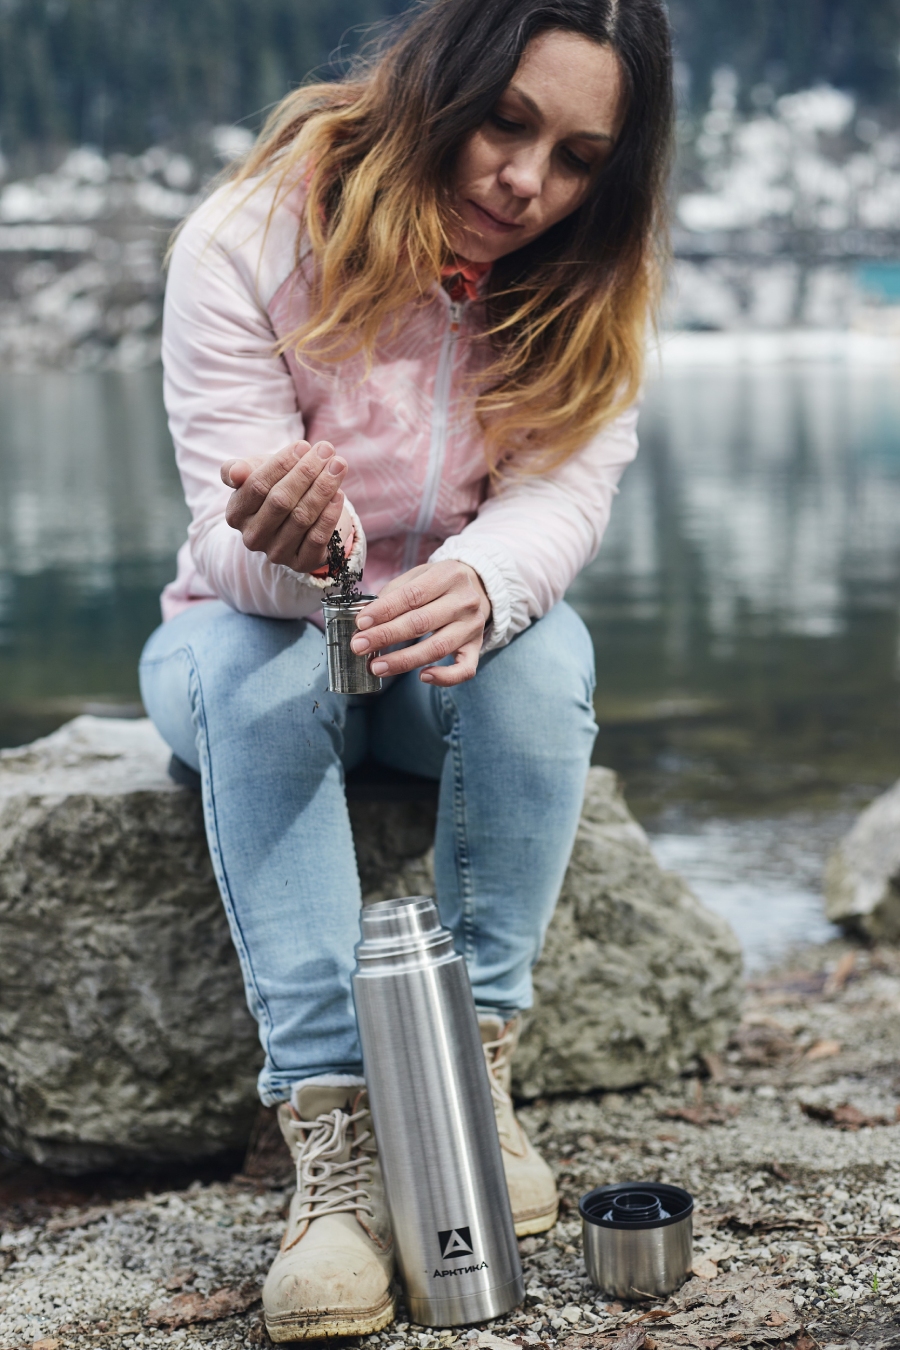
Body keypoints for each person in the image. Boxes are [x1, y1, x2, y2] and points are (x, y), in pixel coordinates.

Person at [139, 0, 673, 1338]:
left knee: (548, 654)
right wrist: (291, 542)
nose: (527, 181)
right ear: (441, 81)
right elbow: (222, 536)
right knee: (255, 673)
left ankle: (471, 1069)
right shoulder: (250, 238)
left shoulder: (586, 285)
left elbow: (559, 500)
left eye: (577, 159)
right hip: (254, 623)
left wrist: (484, 581)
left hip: (442, 661)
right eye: (506, 122)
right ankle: (332, 1143)